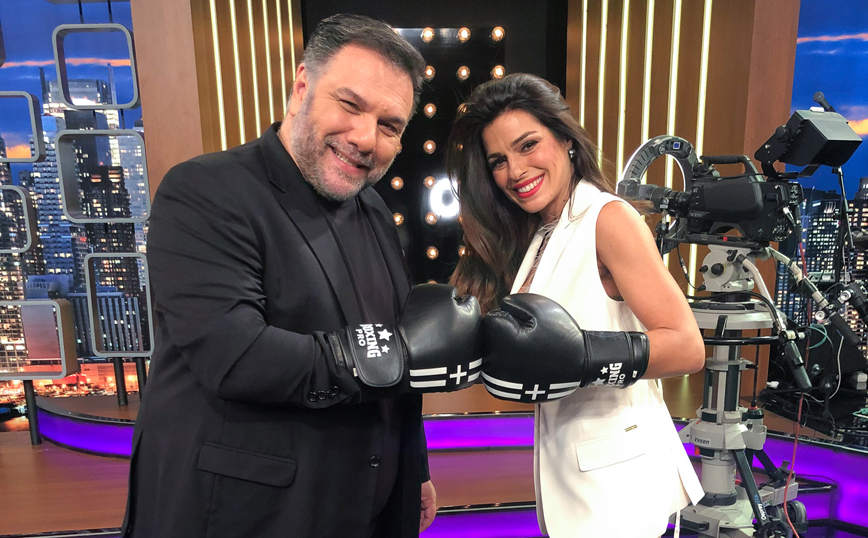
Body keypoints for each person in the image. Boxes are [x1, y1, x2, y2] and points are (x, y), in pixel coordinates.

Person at [122, 14, 484, 538]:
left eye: (389, 126)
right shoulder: (206, 190)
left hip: (364, 505)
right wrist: (393, 354)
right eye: (350, 104)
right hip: (245, 515)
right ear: (301, 88)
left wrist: (415, 467)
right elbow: (236, 356)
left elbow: (395, 358)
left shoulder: (374, 210)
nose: (366, 138)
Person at [446, 73, 706, 537]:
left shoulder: (608, 218)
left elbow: (687, 346)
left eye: (528, 145)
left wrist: (586, 356)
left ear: (565, 139)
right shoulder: (542, 233)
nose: (515, 171)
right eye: (498, 161)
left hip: (617, 485)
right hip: (570, 477)